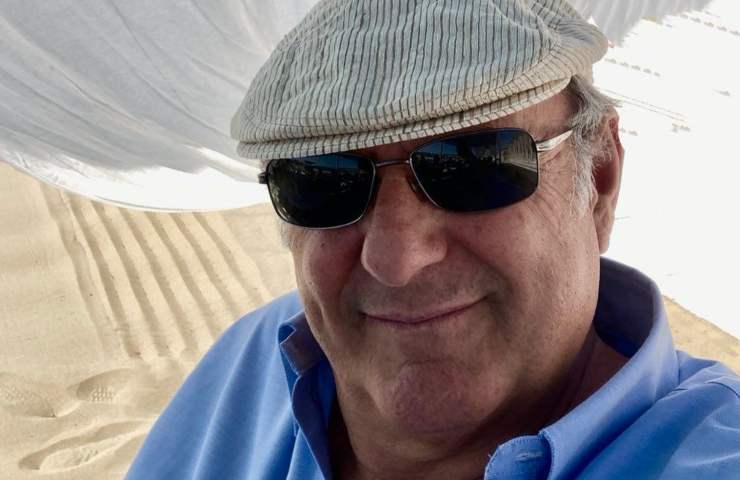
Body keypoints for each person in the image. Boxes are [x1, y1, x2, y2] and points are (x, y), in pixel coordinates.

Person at [126, 1, 740, 478]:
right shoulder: (254, 358)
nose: (395, 260)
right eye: (323, 181)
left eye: (473, 166)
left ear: (599, 179)